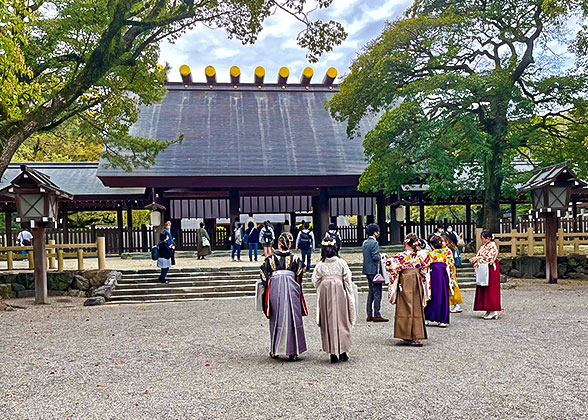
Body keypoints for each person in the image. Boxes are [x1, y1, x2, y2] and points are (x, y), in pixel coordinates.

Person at [259, 232, 307, 361]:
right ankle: (293, 352)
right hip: (291, 287)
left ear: (279, 244)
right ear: (290, 244)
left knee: (276, 318)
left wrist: (267, 286)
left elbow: (263, 274)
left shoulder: (270, 259)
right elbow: (300, 274)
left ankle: (275, 350)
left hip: (275, 288)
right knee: (292, 317)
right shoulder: (296, 260)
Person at [311, 235, 356, 363]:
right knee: (342, 320)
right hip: (339, 290)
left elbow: (315, 280)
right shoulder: (341, 263)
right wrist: (349, 294)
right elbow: (347, 279)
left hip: (326, 293)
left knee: (328, 321)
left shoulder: (321, 265)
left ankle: (332, 352)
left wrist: (324, 284)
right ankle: (343, 352)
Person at [384, 233, 430, 347]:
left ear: (406, 243)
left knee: (406, 306)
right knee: (417, 307)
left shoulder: (402, 256)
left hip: (405, 281)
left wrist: (387, 259)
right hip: (417, 280)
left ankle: (407, 334)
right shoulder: (420, 256)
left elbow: (390, 266)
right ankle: (416, 334)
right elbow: (425, 269)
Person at [471, 230, 501, 320]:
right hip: (483, 268)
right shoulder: (483, 247)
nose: (482, 240)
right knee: (484, 289)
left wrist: (478, 258)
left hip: (490, 268)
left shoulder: (493, 246)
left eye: (484, 238)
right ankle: (488, 309)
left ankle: (493, 310)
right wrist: (476, 260)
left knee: (491, 289)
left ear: (488, 238)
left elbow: (490, 258)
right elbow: (480, 255)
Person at [362, 223, 389, 323]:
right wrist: (382, 255)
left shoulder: (365, 243)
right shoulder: (375, 243)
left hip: (367, 270)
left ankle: (369, 314)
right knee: (377, 293)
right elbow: (375, 257)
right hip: (374, 270)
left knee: (371, 293)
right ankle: (377, 314)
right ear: (374, 232)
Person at [423, 235, 451, 327]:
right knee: (442, 296)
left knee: (431, 295)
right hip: (443, 277)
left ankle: (427, 318)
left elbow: (425, 266)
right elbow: (447, 267)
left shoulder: (430, 255)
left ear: (432, 245)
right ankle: (442, 320)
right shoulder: (444, 255)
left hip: (433, 277)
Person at [441, 233, 462, 313]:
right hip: (445, 270)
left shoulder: (447, 251)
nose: (441, 243)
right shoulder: (442, 250)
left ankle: (456, 304)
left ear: (447, 242)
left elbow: (450, 261)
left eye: (443, 241)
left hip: (449, 270)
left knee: (452, 286)